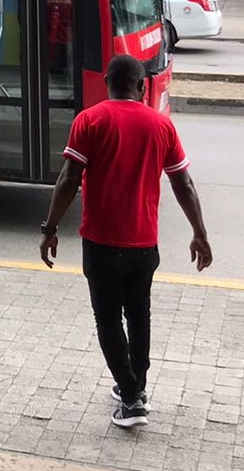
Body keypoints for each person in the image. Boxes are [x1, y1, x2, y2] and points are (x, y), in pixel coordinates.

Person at [39, 54, 212, 428]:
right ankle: (136, 386)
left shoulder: (90, 120)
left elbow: (69, 179)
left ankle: (132, 399)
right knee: (138, 315)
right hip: (144, 244)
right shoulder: (160, 125)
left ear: (106, 82)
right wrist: (199, 233)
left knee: (108, 319)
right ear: (142, 86)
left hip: (101, 242)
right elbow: (183, 182)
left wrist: (50, 228)